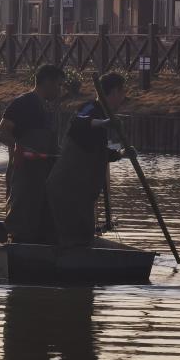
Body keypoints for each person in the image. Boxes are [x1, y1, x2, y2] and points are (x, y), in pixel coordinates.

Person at [46, 72, 131, 247]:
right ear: (114, 92)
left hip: (82, 194)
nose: (124, 98)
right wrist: (104, 123)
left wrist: (123, 153)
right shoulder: (90, 108)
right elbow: (80, 122)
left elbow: (99, 152)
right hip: (67, 190)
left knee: (84, 238)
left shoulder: (101, 114)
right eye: (122, 93)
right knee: (74, 240)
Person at [0, 64, 65, 243]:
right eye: (58, 85)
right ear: (47, 82)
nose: (60, 89)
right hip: (23, 173)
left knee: (46, 220)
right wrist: (21, 147)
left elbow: (52, 144)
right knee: (20, 219)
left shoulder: (49, 109)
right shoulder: (23, 103)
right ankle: (15, 249)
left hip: (45, 175)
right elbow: (2, 133)